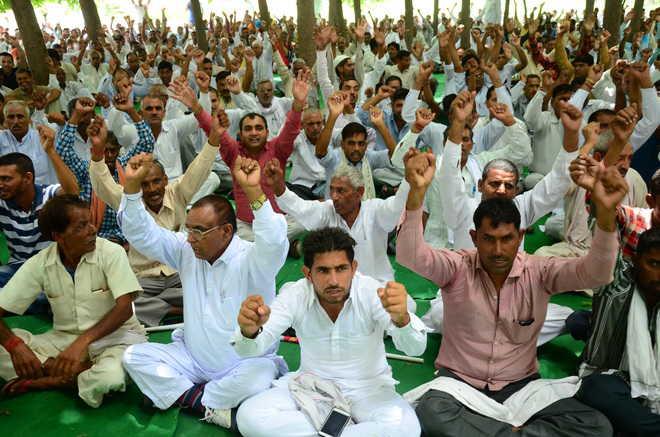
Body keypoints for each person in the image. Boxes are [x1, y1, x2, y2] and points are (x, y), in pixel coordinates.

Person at [396, 149, 626, 436]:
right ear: (473, 237)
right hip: (459, 385)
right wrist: (416, 194)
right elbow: (409, 255)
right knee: (432, 413)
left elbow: (597, 273)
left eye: (507, 239)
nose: (498, 250)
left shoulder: (540, 272)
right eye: (488, 240)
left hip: (521, 387)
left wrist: (605, 217)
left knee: (595, 425)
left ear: (521, 236)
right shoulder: (457, 267)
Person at [119, 155, 289, 430]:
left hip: (242, 365)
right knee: (134, 357)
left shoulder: (253, 260)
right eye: (188, 230)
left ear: (226, 231)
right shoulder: (187, 251)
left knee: (258, 377)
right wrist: (132, 188)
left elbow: (274, 240)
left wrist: (254, 192)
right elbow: (143, 234)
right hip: (192, 359)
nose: (190, 238)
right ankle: (208, 405)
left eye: (199, 231)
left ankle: (179, 394)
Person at [233, 227, 426, 436]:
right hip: (310, 389)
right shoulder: (295, 295)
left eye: (341, 269)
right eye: (323, 271)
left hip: (369, 391)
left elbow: (415, 348)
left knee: (405, 428)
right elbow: (250, 348)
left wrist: (402, 320)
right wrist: (249, 332)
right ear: (308, 273)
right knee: (250, 416)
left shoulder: (372, 292)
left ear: (353, 268)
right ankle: (346, 429)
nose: (333, 280)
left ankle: (329, 428)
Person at [0, 195, 146, 407]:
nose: (92, 230)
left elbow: (124, 309)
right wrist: (15, 346)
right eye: (81, 226)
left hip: (117, 339)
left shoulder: (111, 252)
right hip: (63, 340)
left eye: (90, 222)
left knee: (110, 378)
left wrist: (82, 342)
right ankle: (72, 373)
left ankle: (46, 379)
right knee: (7, 346)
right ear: (58, 236)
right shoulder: (41, 263)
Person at [89, 115, 218, 326]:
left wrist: (213, 139)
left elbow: (199, 169)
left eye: (156, 181)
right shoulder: (128, 201)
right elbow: (102, 183)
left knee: (212, 286)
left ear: (165, 180)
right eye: (144, 184)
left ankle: (164, 308)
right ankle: (175, 309)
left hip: (178, 274)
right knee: (114, 302)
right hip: (143, 278)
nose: (151, 189)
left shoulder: (177, 192)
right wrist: (97, 152)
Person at [576, 228, 660, 436]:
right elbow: (603, 254)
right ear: (636, 260)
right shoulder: (616, 284)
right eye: (654, 264)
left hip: (653, 381)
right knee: (597, 389)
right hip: (612, 379)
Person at [215, 69, 311, 242]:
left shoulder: (277, 148)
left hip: (279, 221)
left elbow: (290, 129)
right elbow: (218, 134)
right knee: (234, 236)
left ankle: (272, 245)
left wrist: (298, 103)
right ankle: (282, 245)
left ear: (267, 133)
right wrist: (197, 108)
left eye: (258, 128)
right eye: (248, 129)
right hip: (247, 226)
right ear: (240, 134)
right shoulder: (234, 153)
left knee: (304, 220)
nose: (254, 133)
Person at [0, 126, 79, 290]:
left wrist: (50, 151)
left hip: (52, 268)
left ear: (27, 178)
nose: (1, 185)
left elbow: (73, 192)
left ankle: (15, 300)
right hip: (18, 268)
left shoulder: (47, 194)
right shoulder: (2, 202)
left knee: (60, 289)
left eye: (6, 179)